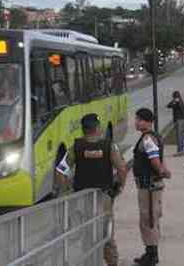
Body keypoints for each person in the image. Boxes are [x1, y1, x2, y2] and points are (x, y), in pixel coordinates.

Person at [55, 113, 127, 266]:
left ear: (83, 130)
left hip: (82, 199)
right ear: (98, 128)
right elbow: (121, 168)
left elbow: (60, 171)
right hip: (104, 198)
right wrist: (119, 186)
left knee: (88, 234)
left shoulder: (76, 147)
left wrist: (67, 190)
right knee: (106, 234)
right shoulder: (109, 146)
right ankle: (112, 263)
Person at [132, 108, 171, 266]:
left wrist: (162, 171)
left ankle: (152, 256)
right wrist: (163, 170)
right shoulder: (153, 137)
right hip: (151, 185)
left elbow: (155, 159)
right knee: (151, 219)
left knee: (148, 220)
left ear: (147, 122)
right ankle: (150, 252)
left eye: (139, 119)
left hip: (148, 186)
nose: (136, 122)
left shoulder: (147, 139)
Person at [167, 91, 184, 156]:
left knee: (179, 136)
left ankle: (180, 151)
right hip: (182, 120)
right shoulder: (179, 101)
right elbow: (169, 105)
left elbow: (169, 106)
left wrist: (175, 101)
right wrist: (174, 101)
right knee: (183, 135)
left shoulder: (178, 102)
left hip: (179, 120)